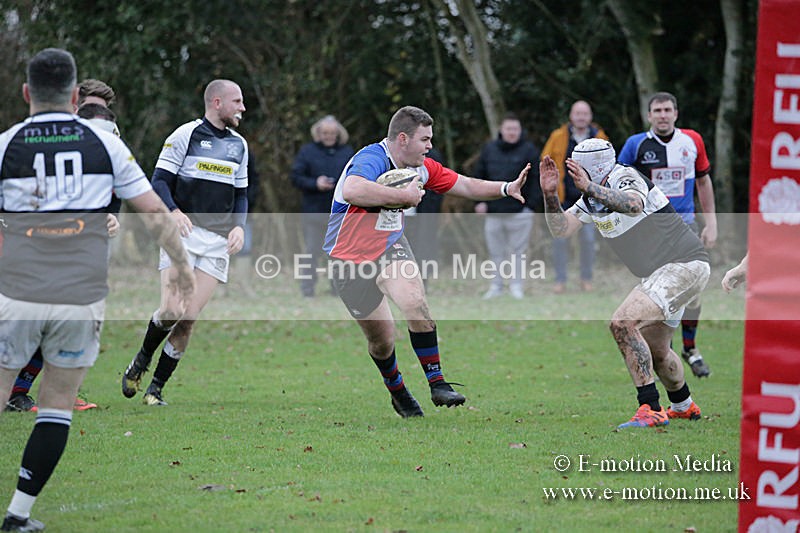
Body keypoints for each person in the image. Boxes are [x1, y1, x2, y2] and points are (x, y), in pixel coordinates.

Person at [0, 47, 194, 532]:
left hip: (17, 290)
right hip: (79, 295)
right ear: (73, 95)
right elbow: (154, 213)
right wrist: (184, 267)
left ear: (26, 93)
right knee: (57, 406)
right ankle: (19, 515)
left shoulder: (6, 144)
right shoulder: (104, 144)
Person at [323, 105, 530, 417]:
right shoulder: (372, 158)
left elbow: (465, 184)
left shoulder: (422, 167)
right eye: (425, 139)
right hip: (348, 258)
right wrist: (402, 198)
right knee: (382, 342)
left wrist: (505, 188)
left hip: (390, 247)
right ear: (403, 139)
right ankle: (398, 391)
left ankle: (437, 383)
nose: (430, 146)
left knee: (414, 301)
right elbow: (353, 190)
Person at [540, 139, 710, 428]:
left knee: (622, 323)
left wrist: (589, 186)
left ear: (592, 165)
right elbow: (561, 229)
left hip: (683, 265)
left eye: (576, 165)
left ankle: (650, 408)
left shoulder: (624, 176)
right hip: (660, 275)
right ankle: (683, 405)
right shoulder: (589, 199)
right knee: (657, 352)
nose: (573, 171)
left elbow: (633, 205)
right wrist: (549, 195)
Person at [120, 79, 249, 406]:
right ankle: (142, 358)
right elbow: (159, 181)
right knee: (172, 309)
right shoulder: (184, 135)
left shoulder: (239, 145)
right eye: (237, 101)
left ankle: (156, 389)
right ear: (216, 103)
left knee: (188, 318)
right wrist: (174, 211)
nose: (242, 108)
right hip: (183, 236)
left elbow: (242, 194)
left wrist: (239, 228)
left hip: (218, 242)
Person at [4, 81, 122, 414]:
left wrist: (111, 218)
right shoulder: (37, 140)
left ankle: (36, 392)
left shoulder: (106, 138)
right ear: (73, 105)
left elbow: (113, 187)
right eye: (86, 108)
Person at [618, 91, 717, 378]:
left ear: (676, 113)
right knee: (658, 293)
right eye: (657, 110)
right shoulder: (635, 145)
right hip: (650, 230)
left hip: (685, 226)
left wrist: (712, 222)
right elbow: (619, 183)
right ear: (649, 115)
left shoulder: (692, 141)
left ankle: (690, 349)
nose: (662, 115)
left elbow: (703, 181)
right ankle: (665, 350)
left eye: (667, 109)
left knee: (694, 292)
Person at [540, 100, 608, 294]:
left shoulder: (600, 137)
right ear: (571, 116)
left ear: (590, 117)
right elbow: (545, 160)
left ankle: (586, 279)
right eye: (577, 113)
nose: (581, 117)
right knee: (560, 239)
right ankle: (560, 280)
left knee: (588, 240)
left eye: (584, 113)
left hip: (589, 199)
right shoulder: (558, 136)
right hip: (563, 198)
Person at [473, 113, 540, 300]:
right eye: (508, 129)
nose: (512, 132)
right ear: (501, 130)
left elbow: (536, 180)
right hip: (493, 212)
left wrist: (531, 206)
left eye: (515, 129)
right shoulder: (489, 150)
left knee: (518, 252)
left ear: (520, 131)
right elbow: (479, 176)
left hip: (520, 212)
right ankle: (496, 286)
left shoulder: (529, 151)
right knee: (495, 252)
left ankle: (516, 287)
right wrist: (479, 202)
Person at [291, 115, 355, 297]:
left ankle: (338, 288)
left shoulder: (347, 152)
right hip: (313, 212)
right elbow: (296, 177)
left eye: (332, 133)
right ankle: (307, 289)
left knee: (339, 253)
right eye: (325, 133)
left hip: (340, 213)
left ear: (338, 134)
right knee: (311, 251)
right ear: (318, 133)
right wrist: (315, 183)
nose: (329, 136)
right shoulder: (307, 152)